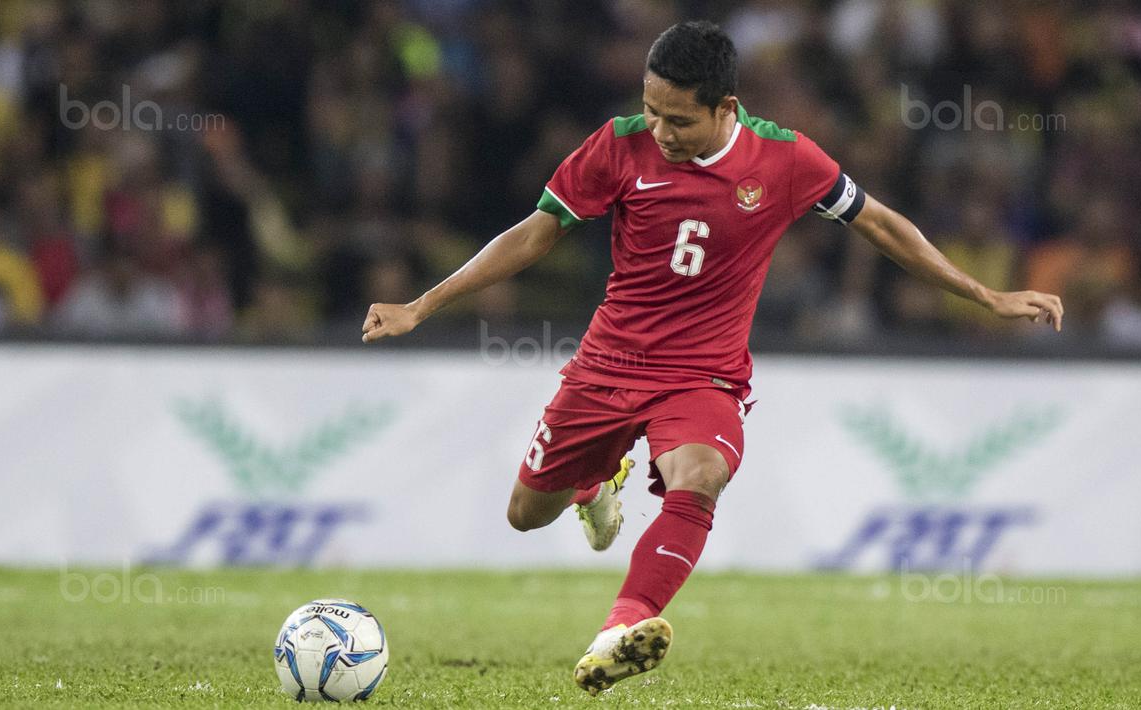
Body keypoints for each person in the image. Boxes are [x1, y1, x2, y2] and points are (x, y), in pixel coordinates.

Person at [361, 21, 1063, 695]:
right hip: (607, 366)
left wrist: (984, 295)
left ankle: (622, 625)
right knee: (523, 514)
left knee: (700, 474)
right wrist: (422, 305)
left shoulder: (785, 159)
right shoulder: (618, 144)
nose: (660, 132)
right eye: (650, 111)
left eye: (678, 120)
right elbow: (535, 233)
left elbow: (879, 225)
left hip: (703, 376)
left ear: (726, 107)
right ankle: (592, 484)